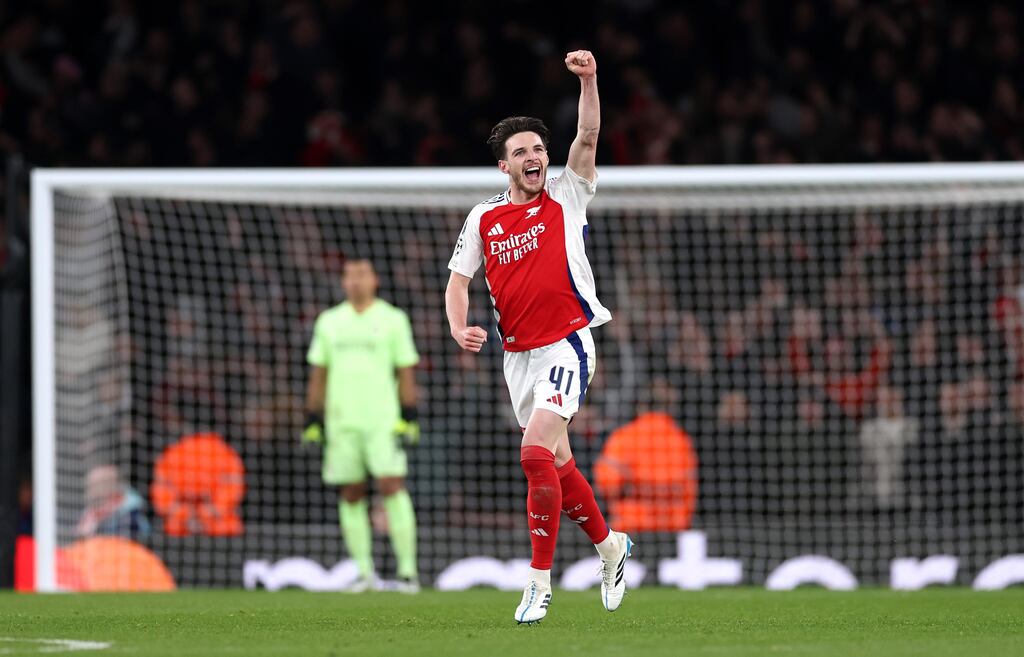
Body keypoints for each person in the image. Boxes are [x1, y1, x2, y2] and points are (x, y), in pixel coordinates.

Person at [445, 49, 631, 624]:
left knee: (532, 454)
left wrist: (591, 80)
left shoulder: (566, 195)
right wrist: (458, 325)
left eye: (538, 149)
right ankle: (610, 547)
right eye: (521, 151)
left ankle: (538, 581)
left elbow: (591, 132)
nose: (534, 157)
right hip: (518, 358)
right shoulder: (483, 219)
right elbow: (457, 281)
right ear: (504, 166)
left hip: (569, 342)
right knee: (557, 464)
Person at [304, 257, 421, 593]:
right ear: (343, 282)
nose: (355, 281)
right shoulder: (329, 322)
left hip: (382, 420)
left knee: (391, 485)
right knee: (351, 493)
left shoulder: (392, 319)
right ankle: (363, 573)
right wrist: (313, 418)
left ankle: (408, 573)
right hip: (341, 422)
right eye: (350, 276)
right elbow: (319, 371)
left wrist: (409, 415)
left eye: (362, 274)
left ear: (375, 280)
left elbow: (405, 369)